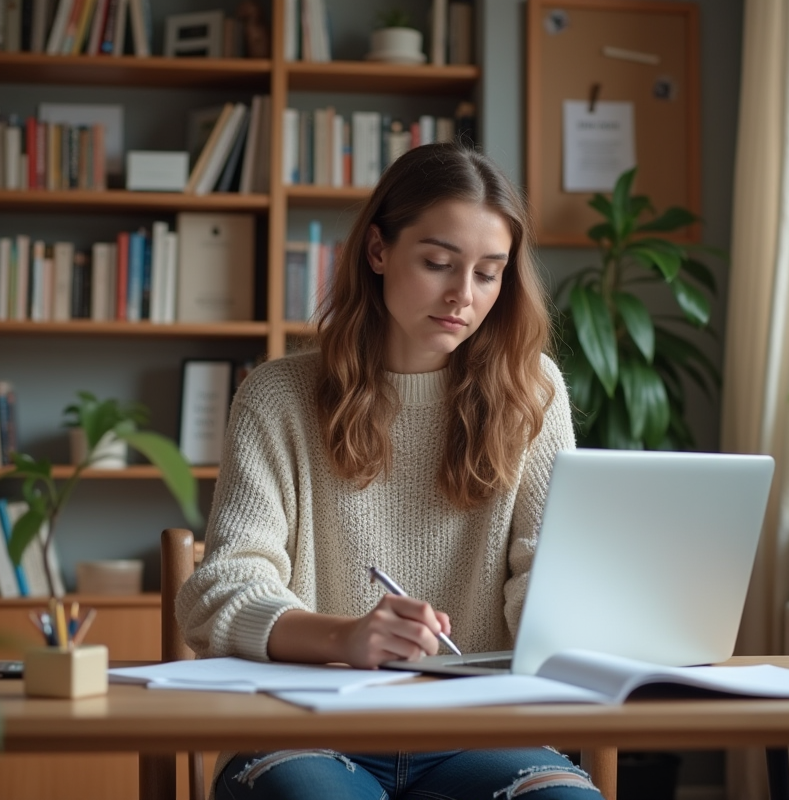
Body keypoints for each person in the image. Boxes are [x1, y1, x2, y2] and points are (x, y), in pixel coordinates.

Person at [175, 142, 600, 799]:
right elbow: (220, 590)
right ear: (377, 251)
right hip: (306, 733)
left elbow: (544, 571)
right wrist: (347, 636)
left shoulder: (532, 392)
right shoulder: (277, 396)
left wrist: (576, 610)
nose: (464, 295)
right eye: (438, 263)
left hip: (482, 732)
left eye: (490, 273)